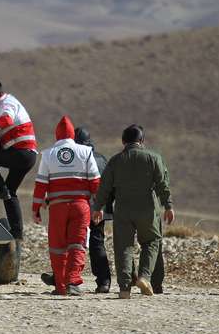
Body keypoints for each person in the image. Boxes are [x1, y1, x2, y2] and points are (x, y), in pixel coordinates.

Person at [92, 124, 174, 299]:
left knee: (123, 247)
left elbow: (104, 188)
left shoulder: (115, 160)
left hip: (123, 210)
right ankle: (144, 277)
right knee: (151, 242)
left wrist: (97, 207)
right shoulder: (154, 158)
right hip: (148, 209)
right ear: (142, 141)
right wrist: (168, 206)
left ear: (123, 141)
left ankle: (124, 288)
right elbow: (162, 184)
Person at [40, 126, 113, 293]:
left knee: (66, 243)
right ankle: (103, 282)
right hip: (99, 208)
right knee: (96, 243)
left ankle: (64, 279)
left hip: (81, 207)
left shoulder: (76, 157)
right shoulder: (101, 158)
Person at [32, 116, 99, 296]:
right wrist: (99, 206)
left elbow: (40, 185)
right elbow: (95, 182)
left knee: (57, 247)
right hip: (80, 206)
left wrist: (36, 208)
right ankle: (73, 283)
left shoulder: (47, 154)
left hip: (57, 208)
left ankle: (61, 287)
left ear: (57, 134)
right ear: (71, 134)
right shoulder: (86, 152)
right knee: (77, 244)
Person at [0, 79, 38, 241]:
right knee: (10, 194)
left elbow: (6, 120)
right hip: (27, 156)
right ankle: (17, 234)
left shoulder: (7, 104)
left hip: (21, 153)